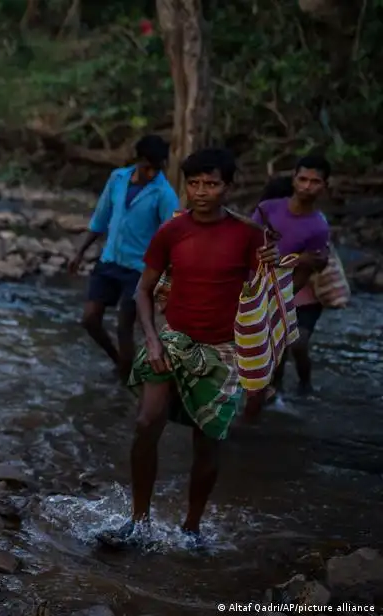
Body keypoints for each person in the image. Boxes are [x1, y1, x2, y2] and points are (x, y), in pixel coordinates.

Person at [100, 148, 277, 550]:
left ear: (228, 187)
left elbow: (271, 298)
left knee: (207, 441)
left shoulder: (249, 236)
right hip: (173, 339)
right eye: (194, 183)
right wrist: (152, 337)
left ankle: (192, 527)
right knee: (147, 423)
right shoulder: (172, 232)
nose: (201, 192)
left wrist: (277, 261)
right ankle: (138, 520)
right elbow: (144, 290)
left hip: (224, 350)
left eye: (211, 184)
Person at [69, 135, 180, 382]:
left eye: (157, 168)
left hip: (139, 270)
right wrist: (79, 252)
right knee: (89, 318)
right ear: (138, 160)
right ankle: (119, 361)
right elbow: (100, 219)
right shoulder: (117, 179)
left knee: (124, 327)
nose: (152, 173)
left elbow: (173, 235)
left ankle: (123, 380)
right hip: (109, 260)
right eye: (147, 167)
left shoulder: (164, 193)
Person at [252, 155, 332, 396]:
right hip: (261, 286)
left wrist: (279, 297)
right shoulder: (268, 210)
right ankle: (273, 393)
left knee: (297, 342)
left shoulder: (318, 226)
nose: (307, 186)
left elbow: (308, 271)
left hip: (297, 292)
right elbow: (249, 246)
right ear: (294, 180)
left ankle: (304, 384)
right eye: (303, 179)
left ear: (324, 186)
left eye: (315, 181)